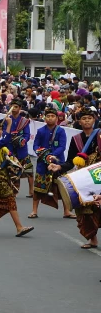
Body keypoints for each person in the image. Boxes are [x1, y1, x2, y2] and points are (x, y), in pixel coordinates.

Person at [49, 107, 101, 249]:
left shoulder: (100, 136)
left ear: (94, 120)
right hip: (84, 179)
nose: (87, 121)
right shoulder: (76, 139)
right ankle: (93, 239)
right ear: (79, 121)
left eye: (89, 118)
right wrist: (59, 167)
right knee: (84, 210)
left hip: (98, 176)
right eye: (84, 118)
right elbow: (71, 160)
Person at [30, 107, 72, 219]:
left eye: (52, 116)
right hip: (42, 163)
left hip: (59, 163)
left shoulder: (61, 131)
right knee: (38, 187)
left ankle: (66, 211)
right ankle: (34, 211)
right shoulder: (41, 131)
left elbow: (62, 147)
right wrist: (42, 153)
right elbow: (35, 145)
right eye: (48, 116)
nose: (50, 118)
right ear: (45, 118)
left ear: (57, 118)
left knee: (62, 187)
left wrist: (52, 155)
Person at [3, 100, 34, 197]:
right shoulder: (7, 120)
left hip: (22, 150)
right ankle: (13, 191)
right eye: (12, 106)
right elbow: (4, 133)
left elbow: (27, 135)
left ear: (20, 108)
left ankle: (31, 191)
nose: (13, 108)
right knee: (12, 171)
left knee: (29, 172)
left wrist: (22, 140)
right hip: (11, 149)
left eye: (16, 106)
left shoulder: (24, 121)